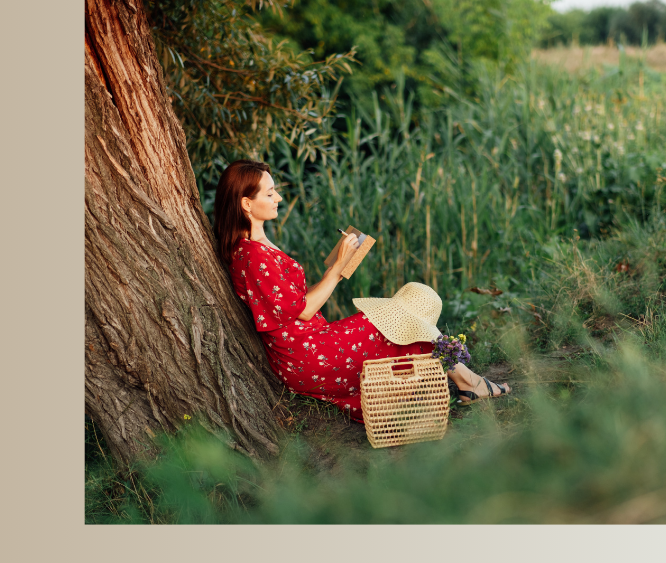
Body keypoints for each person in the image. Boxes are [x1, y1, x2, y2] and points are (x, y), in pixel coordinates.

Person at [213, 159, 510, 422]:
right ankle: (468, 382)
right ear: (246, 204)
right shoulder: (251, 256)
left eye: (275, 189)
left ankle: (462, 380)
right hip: (306, 356)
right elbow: (303, 310)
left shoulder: (260, 246)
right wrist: (335, 268)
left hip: (314, 342)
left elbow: (297, 301)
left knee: (415, 299)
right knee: (391, 316)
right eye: (269, 193)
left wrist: (341, 267)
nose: (278, 197)